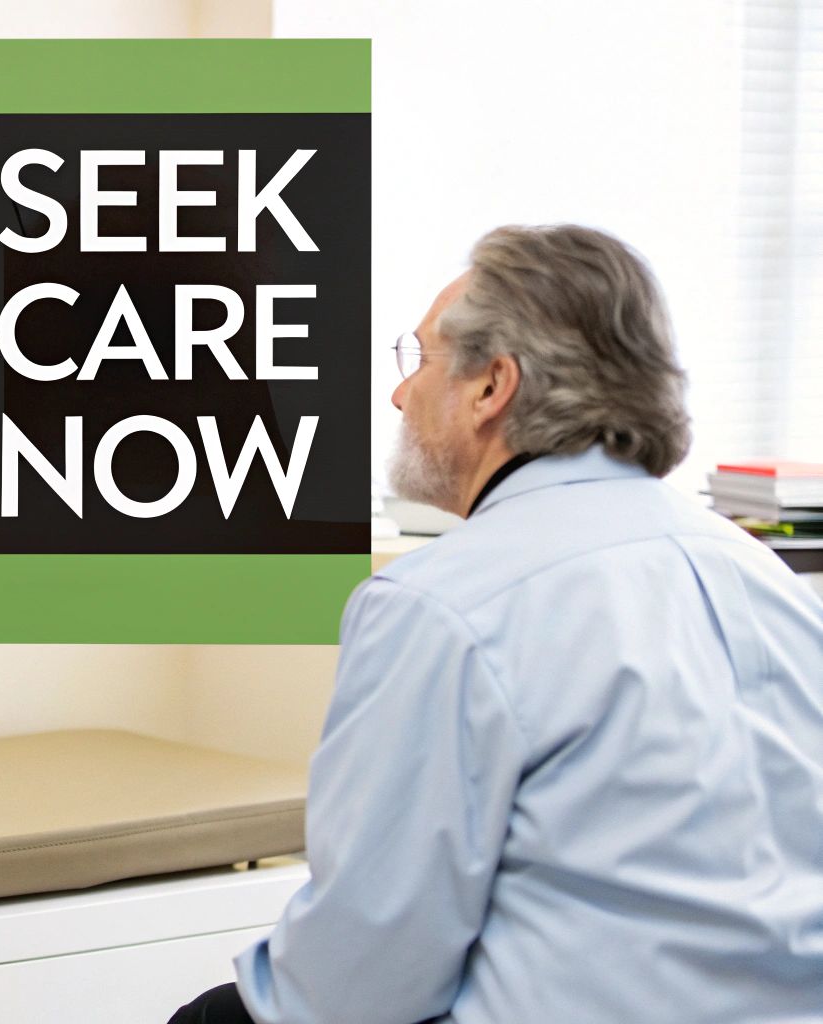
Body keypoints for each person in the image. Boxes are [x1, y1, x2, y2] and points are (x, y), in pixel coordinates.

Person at [171, 225, 823, 1023]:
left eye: (418, 361)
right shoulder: (769, 580)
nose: (398, 395)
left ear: (492, 387)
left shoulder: (442, 605)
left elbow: (351, 983)